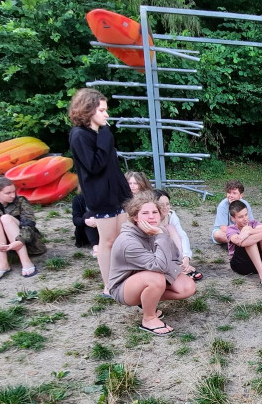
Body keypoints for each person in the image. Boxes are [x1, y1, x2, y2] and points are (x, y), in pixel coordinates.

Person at [67, 88, 132, 298]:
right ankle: (109, 285)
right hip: (101, 196)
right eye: (102, 110)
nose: (107, 115)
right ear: (88, 110)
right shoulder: (79, 135)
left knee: (122, 238)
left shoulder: (100, 133)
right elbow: (94, 166)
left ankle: (124, 277)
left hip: (119, 193)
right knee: (108, 241)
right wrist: (105, 137)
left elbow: (111, 167)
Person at [107, 191, 196, 336]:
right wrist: (161, 236)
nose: (151, 216)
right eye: (145, 213)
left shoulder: (158, 230)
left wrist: (175, 267)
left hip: (147, 275)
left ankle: (147, 299)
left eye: (155, 212)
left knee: (187, 287)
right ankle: (149, 319)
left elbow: (175, 258)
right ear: (135, 217)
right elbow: (159, 266)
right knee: (156, 278)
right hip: (123, 288)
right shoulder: (128, 242)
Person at [0, 176, 46, 280]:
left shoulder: (20, 201)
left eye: (14, 191)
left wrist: (21, 240)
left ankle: (26, 261)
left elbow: (29, 223)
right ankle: (3, 264)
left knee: (6, 218)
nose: (13, 195)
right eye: (8, 193)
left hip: (25, 242)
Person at [226, 200, 262, 290]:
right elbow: (241, 242)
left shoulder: (253, 223)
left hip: (259, 262)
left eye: (246, 214)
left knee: (260, 235)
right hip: (240, 265)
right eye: (240, 217)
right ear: (233, 219)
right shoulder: (231, 229)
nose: (245, 219)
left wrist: (250, 232)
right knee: (249, 236)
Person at [154, 188, 201, 281]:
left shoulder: (170, 215)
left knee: (170, 228)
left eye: (167, 204)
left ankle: (181, 264)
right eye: (161, 205)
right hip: (155, 251)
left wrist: (186, 257)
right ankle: (174, 268)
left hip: (170, 249)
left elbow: (182, 235)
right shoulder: (150, 217)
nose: (165, 207)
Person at [212, 180, 254, 245]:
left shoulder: (245, 204)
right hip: (226, 231)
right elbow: (223, 229)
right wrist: (238, 235)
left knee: (257, 230)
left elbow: (251, 223)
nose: (231, 196)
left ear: (241, 195)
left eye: (234, 193)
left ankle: (239, 242)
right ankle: (241, 242)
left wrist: (246, 231)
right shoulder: (223, 206)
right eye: (229, 193)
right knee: (218, 235)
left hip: (241, 229)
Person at [71, 190, 99, 256]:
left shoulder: (104, 198)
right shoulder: (78, 199)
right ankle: (96, 247)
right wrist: (86, 221)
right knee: (88, 215)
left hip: (102, 229)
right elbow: (75, 220)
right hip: (85, 233)